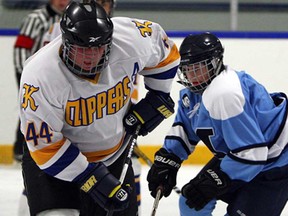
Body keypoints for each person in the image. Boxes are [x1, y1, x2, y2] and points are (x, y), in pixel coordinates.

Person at [19, 1, 180, 216]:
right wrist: (91, 178)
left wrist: (158, 95)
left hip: (115, 155)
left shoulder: (130, 37)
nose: (90, 57)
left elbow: (166, 55)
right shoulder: (39, 76)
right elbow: (45, 148)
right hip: (55, 168)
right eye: (81, 49)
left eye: (98, 47)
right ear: (65, 42)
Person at [146, 32, 288, 216]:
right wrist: (168, 159)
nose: (192, 74)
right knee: (192, 202)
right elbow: (184, 129)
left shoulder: (225, 92)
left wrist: (217, 179)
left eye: (199, 67)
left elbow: (253, 154)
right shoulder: (192, 94)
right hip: (241, 156)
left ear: (215, 62)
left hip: (275, 164)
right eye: (188, 68)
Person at [41, 0, 143, 214]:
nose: (101, 7)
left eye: (104, 3)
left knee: (126, 182)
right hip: (70, 127)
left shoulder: (122, 34)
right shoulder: (59, 35)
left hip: (113, 126)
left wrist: (127, 112)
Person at [13, 0, 71, 162]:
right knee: (30, 111)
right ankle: (22, 149)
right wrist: (26, 75)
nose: (62, 2)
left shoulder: (72, 18)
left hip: (58, 77)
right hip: (34, 76)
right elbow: (21, 48)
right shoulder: (36, 19)